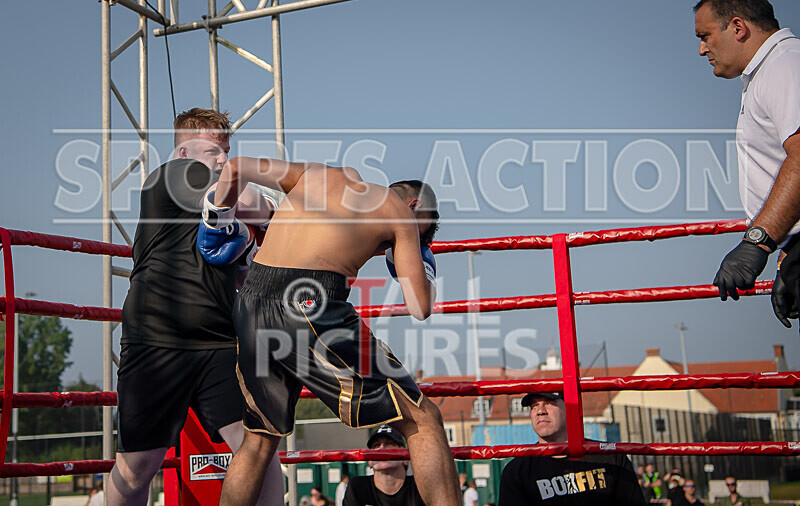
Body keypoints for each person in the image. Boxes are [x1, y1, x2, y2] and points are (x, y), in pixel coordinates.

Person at [212, 156, 458, 506]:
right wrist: (423, 264)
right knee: (423, 418)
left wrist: (216, 217)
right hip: (308, 301)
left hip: (250, 301)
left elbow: (234, 167)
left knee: (258, 439)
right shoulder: (398, 212)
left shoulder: (318, 174)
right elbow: (419, 307)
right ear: (414, 206)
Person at [108, 108, 283, 505]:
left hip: (218, 340)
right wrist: (276, 217)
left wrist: (248, 255)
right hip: (158, 340)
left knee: (259, 448)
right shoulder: (173, 174)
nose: (223, 159)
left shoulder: (217, 212)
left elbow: (238, 274)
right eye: (213, 150)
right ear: (184, 149)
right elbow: (250, 201)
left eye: (226, 150)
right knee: (137, 467)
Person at [695, 0, 800, 318]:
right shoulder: (771, 70)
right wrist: (789, 257)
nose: (702, 49)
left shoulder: (785, 65)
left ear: (738, 28)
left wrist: (758, 241)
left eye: (705, 35)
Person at [498, 391, 647, 505]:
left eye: (549, 403)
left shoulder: (611, 458)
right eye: (534, 406)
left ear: (569, 407)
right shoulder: (516, 471)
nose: (540, 411)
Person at [343, 425, 424, 506]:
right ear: (370, 461)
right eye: (376, 445)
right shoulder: (358, 487)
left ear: (405, 459)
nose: (381, 448)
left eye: (389, 444)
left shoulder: (419, 486)